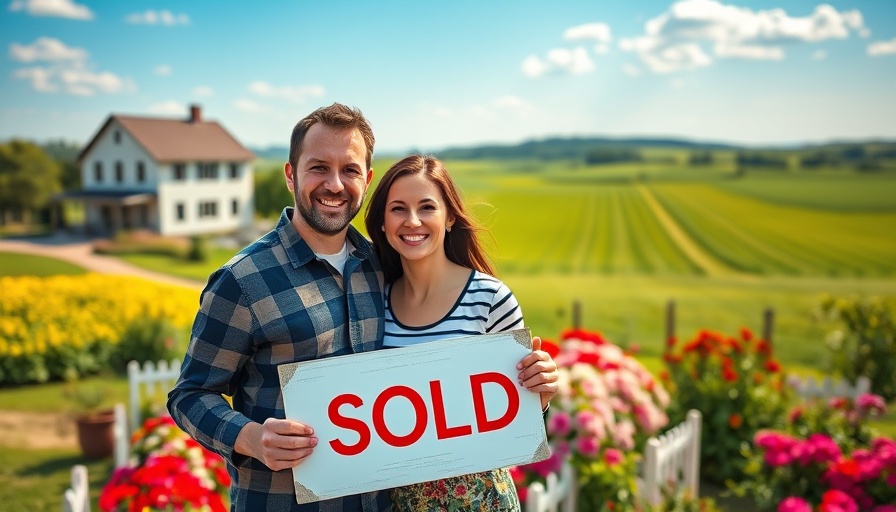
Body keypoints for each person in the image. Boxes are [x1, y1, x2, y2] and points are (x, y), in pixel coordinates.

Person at [167, 102, 392, 511]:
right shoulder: (242, 280)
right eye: (318, 167)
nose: (335, 184)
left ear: (368, 179)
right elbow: (190, 395)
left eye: (350, 170)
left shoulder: (381, 267)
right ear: (291, 175)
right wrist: (252, 437)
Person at [364, 154, 559, 512]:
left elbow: (521, 417)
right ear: (381, 223)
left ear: (450, 217)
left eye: (427, 207)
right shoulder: (374, 305)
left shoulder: (490, 299)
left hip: (480, 501)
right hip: (397, 502)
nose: (412, 221)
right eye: (397, 209)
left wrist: (541, 395)